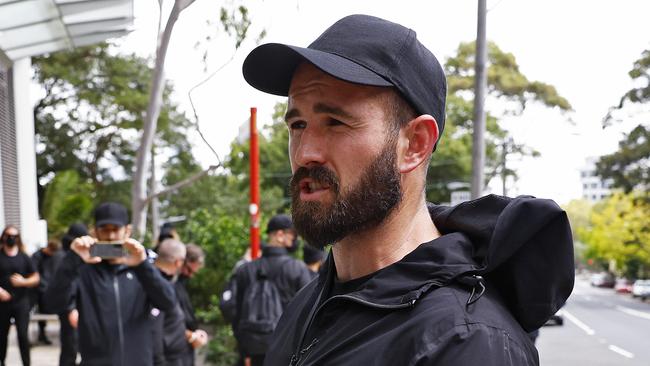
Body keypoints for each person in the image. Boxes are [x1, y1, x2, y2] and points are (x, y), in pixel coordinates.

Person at [241, 14, 574, 365]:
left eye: (336, 123)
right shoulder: (307, 303)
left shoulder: (465, 342)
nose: (306, 152)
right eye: (298, 124)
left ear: (414, 144)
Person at [45, 202, 177, 366]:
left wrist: (142, 265)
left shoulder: (141, 269)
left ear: (127, 231)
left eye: (115, 229)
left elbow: (168, 302)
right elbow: (52, 304)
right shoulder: (82, 271)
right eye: (105, 230)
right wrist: (72, 260)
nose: (111, 236)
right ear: (95, 232)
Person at [232, 215, 312, 366]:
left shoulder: (245, 270)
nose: (295, 239)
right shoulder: (297, 268)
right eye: (293, 234)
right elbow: (307, 313)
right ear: (280, 235)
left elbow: (237, 315)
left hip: (253, 348)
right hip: (287, 350)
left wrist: (244, 351)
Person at [0, 226, 40, 366]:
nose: (11, 238)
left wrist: (24, 282)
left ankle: (26, 363)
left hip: (21, 302)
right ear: (3, 236)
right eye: (8, 235)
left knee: (23, 336)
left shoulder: (24, 257)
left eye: (14, 236)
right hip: (2, 304)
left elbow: (35, 277)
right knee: (2, 336)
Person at [151, 239, 189, 366]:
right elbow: (154, 329)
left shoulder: (164, 281)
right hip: (164, 359)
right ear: (178, 262)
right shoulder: (155, 286)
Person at [58, 222, 88, 366]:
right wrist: (71, 308)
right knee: (70, 349)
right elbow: (67, 285)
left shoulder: (86, 256)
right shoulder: (66, 257)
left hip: (82, 308)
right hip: (69, 309)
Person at [174, 243, 208, 366]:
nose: (190, 275)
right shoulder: (169, 284)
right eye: (189, 270)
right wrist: (191, 336)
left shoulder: (180, 285)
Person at [31, 239, 64, 345]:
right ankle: (42, 334)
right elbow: (34, 273)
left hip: (51, 288)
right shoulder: (37, 257)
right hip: (40, 290)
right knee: (42, 312)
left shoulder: (53, 256)